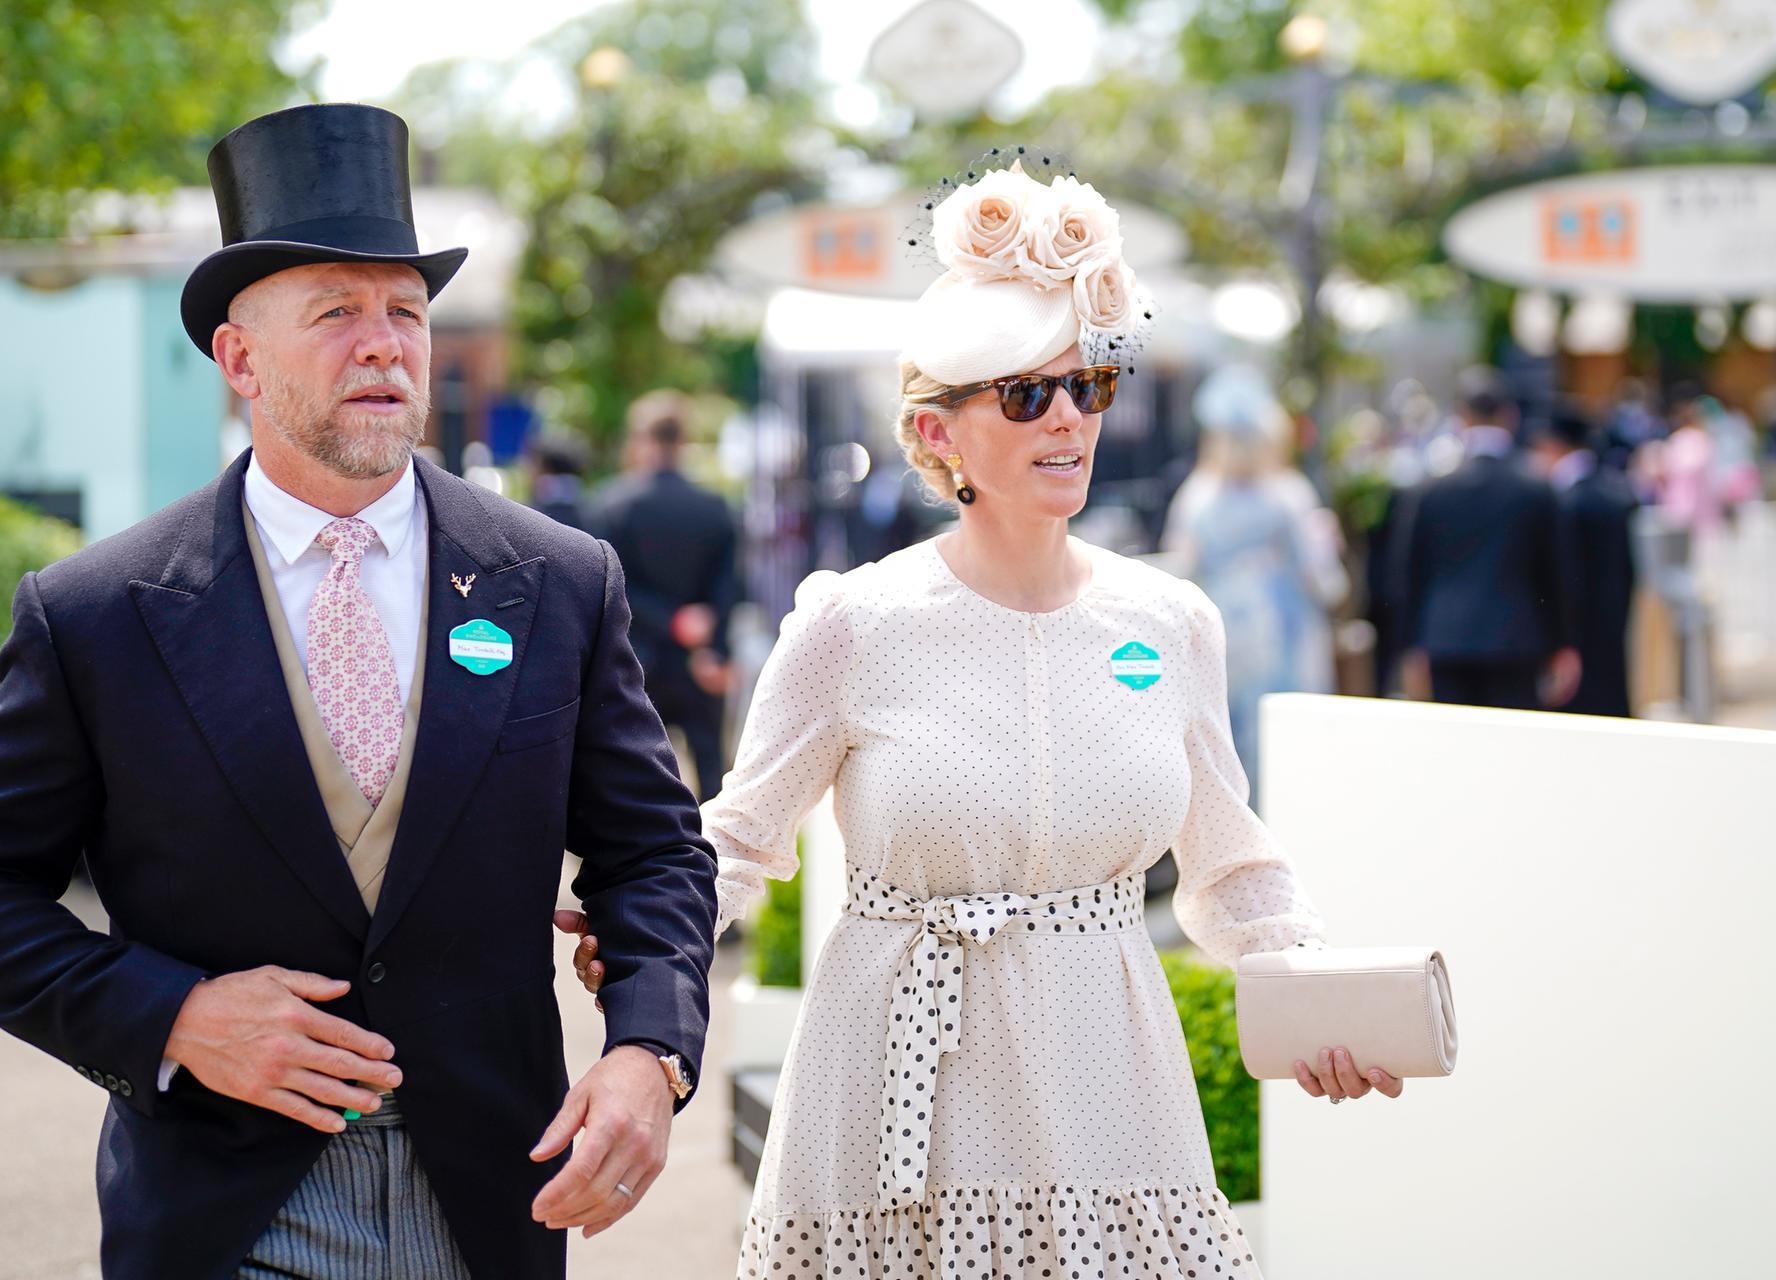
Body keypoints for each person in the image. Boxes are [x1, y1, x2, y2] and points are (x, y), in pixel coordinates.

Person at [0, 104, 716, 1280]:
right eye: (337, 311)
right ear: (240, 360)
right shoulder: (100, 611)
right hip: (223, 1208)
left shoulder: (560, 581)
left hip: (490, 1200)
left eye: (407, 312)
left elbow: (654, 852)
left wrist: (651, 1050)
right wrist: (170, 1014)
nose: (384, 343)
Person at [579, 158, 1400, 1280]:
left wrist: (1314, 992)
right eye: (1024, 393)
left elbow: (1232, 865)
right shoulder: (851, 622)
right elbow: (736, 838)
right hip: (888, 1081)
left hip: (1113, 1083)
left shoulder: (1171, 621)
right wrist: (638, 935)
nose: (1066, 416)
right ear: (939, 432)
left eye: (1086, 386)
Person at [1163, 365, 1346, 790]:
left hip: (1222, 636)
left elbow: (1179, 572)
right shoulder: (1288, 493)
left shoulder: (1197, 496)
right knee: (1286, 746)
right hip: (1284, 634)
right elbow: (1323, 579)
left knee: (1226, 744)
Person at [1390, 367, 1579, 711]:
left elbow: (1410, 573)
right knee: (1511, 751)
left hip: (1445, 640)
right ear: (1509, 416)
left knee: (1458, 751)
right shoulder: (1537, 488)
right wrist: (1563, 643)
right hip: (1518, 638)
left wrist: (1410, 645)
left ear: (1462, 417)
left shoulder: (1430, 490)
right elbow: (1554, 574)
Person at [585, 391, 740, 801]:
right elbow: (730, 584)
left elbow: (612, 585)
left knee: (635, 781)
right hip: (700, 660)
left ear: (640, 441)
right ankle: (714, 863)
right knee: (712, 775)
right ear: (683, 442)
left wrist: (668, 619)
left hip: (635, 661)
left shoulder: (611, 505)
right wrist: (718, 648)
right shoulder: (714, 507)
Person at [1533, 402, 1637, 717]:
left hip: (1576, 631)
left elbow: (1561, 575)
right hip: (1613, 620)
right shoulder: (1615, 490)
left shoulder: (1564, 500)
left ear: (1552, 445)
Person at [526, 433, 589, 531]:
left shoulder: (532, 514)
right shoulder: (592, 512)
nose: (529, 471)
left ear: (546, 469)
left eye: (534, 464)